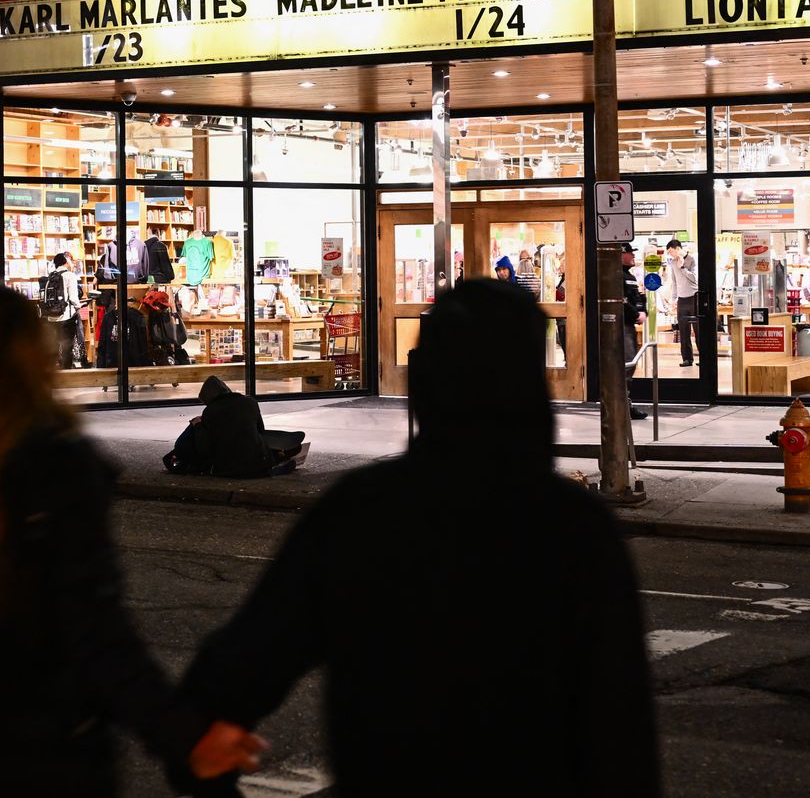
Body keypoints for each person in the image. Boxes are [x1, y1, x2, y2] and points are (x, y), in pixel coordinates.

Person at [181, 280, 659, 796]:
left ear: (426, 386)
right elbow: (619, 719)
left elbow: (257, 650)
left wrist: (195, 735)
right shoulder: (575, 527)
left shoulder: (363, 511)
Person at [0, 284, 262, 796]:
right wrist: (183, 735)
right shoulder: (52, 468)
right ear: (33, 361)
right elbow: (95, 634)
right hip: (38, 751)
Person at [164, 376, 307, 477]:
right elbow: (260, 432)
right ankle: (277, 465)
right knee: (293, 447)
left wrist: (198, 426)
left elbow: (204, 449)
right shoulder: (250, 402)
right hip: (259, 462)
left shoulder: (210, 412)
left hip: (227, 468)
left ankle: (272, 468)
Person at [621, 243, 649, 420]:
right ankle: (623, 405)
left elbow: (637, 297)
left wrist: (642, 310)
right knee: (626, 364)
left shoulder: (629, 276)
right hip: (621, 326)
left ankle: (625, 403)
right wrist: (635, 313)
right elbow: (621, 301)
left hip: (629, 325)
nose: (633, 256)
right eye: (629, 253)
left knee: (630, 363)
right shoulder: (615, 276)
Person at [43, 252, 84, 369]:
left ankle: (52, 374)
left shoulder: (50, 276)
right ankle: (67, 373)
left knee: (53, 347)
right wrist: (78, 307)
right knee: (67, 347)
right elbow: (73, 298)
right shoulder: (70, 275)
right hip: (66, 317)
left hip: (51, 317)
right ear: (66, 261)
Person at [662, 237, 698, 368]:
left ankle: (704, 357)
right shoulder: (672, 263)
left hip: (694, 298)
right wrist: (673, 298)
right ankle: (687, 359)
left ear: (678, 249)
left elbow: (695, 280)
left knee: (698, 330)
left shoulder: (692, 260)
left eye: (671, 251)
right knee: (683, 331)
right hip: (682, 300)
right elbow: (675, 282)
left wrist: (682, 267)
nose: (670, 254)